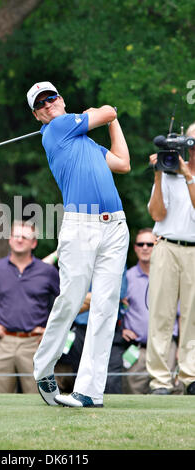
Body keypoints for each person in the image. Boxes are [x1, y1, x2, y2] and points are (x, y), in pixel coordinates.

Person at [27, 81, 130, 407]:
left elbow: (122, 163)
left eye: (51, 97)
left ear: (61, 98)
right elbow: (109, 110)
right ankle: (44, 367)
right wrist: (107, 114)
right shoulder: (56, 129)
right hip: (80, 226)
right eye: (40, 104)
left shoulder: (85, 143)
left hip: (115, 226)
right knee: (71, 299)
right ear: (37, 116)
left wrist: (111, 122)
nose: (48, 104)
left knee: (104, 308)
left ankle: (89, 391)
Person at [0, 220, 60, 394]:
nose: (19, 240)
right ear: (9, 239)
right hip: (1, 343)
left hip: (34, 344)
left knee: (38, 400)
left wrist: (52, 329)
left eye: (25, 236)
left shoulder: (47, 271)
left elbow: (67, 302)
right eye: (16, 235)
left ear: (34, 243)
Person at [146, 122, 195, 395]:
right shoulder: (168, 172)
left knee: (193, 317)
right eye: (191, 141)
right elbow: (156, 215)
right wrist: (158, 175)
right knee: (161, 315)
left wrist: (188, 175)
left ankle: (191, 376)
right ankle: (160, 380)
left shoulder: (184, 173)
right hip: (166, 245)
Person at [122, 228, 181, 394]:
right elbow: (116, 310)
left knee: (169, 395)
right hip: (137, 350)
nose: (145, 247)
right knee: (133, 397)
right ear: (135, 248)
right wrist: (122, 329)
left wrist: (181, 348)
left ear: (157, 247)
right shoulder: (126, 278)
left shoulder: (172, 277)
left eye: (150, 244)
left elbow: (182, 315)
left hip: (167, 348)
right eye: (141, 244)